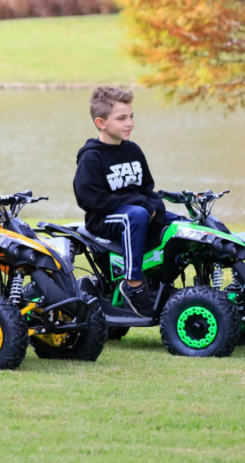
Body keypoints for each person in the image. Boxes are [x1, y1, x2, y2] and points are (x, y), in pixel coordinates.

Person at [73, 87, 177, 317]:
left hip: (134, 211)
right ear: (101, 122)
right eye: (121, 118)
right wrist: (141, 204)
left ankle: (165, 283)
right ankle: (132, 285)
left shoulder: (133, 150)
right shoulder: (92, 157)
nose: (129, 123)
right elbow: (91, 199)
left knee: (181, 225)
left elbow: (146, 188)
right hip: (104, 218)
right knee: (136, 215)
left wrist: (155, 207)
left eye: (131, 117)